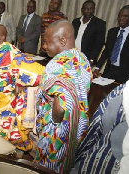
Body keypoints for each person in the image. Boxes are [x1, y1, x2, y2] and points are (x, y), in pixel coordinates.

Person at [34, 20, 92, 173]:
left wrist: (52, 121)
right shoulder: (82, 59)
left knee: (48, 167)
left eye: (46, 42)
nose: (44, 46)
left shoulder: (56, 65)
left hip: (57, 133)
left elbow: (60, 109)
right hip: (77, 127)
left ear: (63, 40)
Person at [93, 5, 129, 84]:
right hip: (109, 71)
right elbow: (106, 52)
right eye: (120, 16)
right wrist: (97, 67)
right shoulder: (112, 31)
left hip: (126, 75)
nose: (121, 18)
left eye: (125, 16)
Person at [72, 0, 106, 65]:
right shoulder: (75, 22)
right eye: (86, 9)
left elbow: (99, 44)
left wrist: (92, 59)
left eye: (91, 9)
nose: (89, 11)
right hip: (72, 55)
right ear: (82, 10)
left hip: (86, 58)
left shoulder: (99, 24)